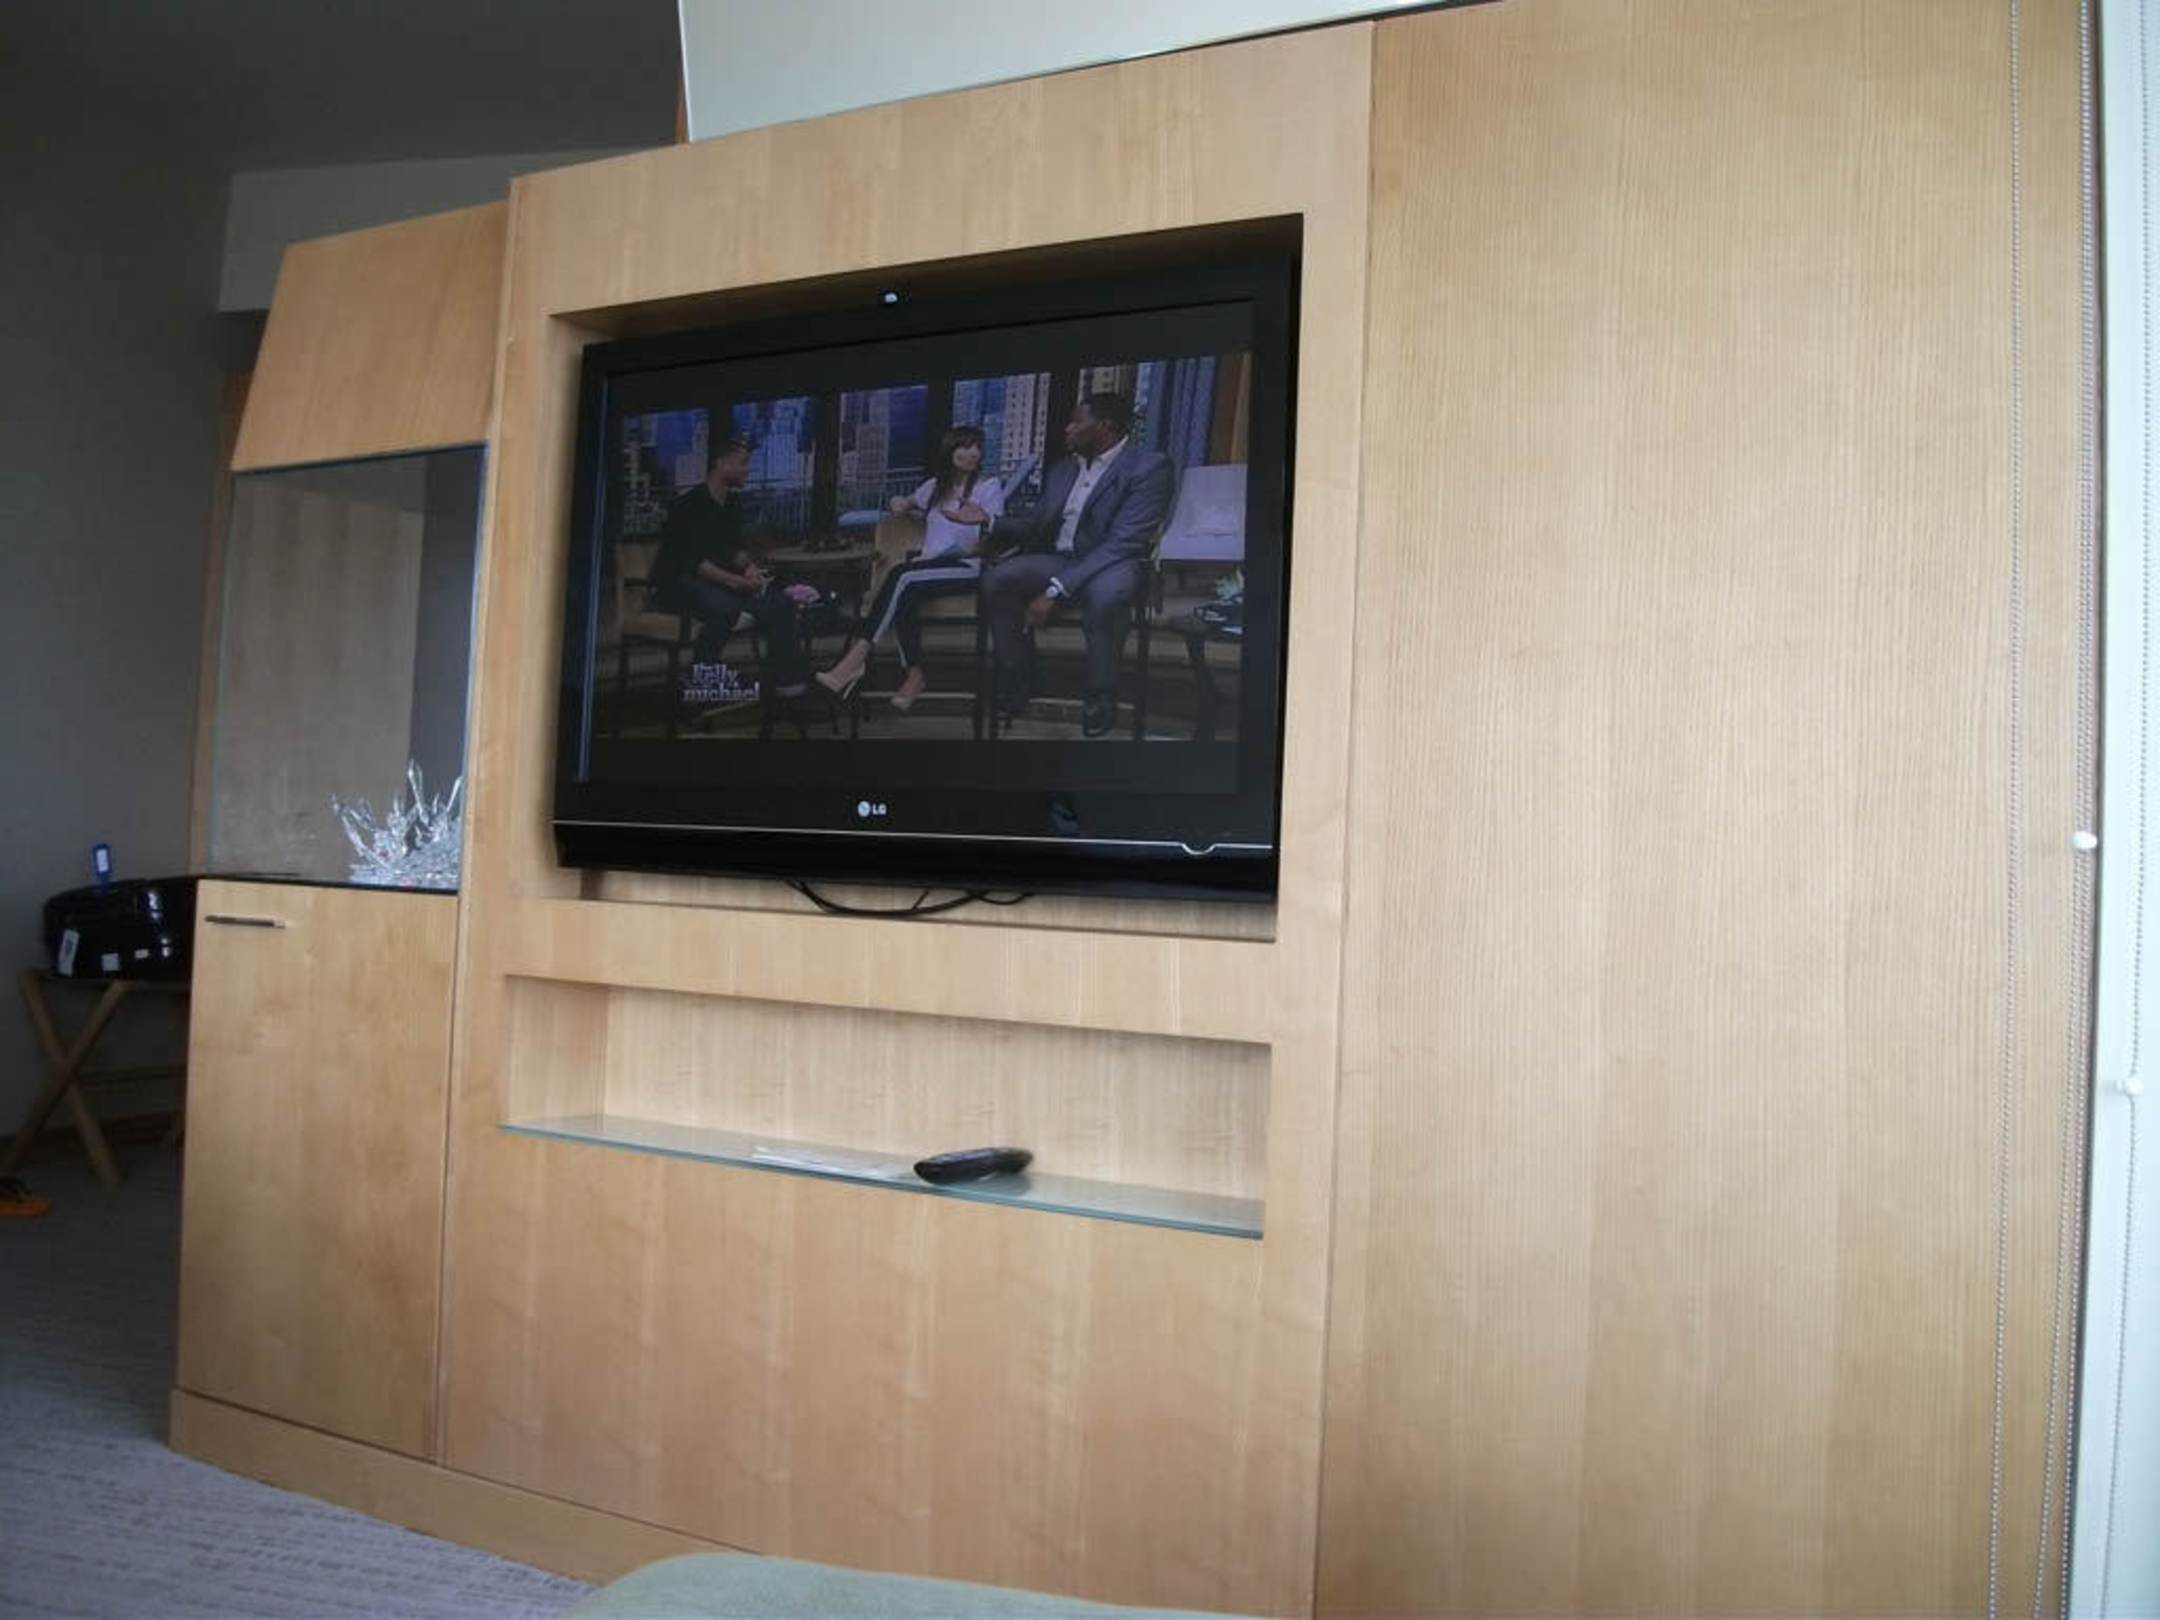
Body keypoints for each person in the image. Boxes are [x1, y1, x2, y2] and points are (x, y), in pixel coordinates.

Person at [980, 391, 1174, 736]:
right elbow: (1037, 523)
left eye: (1076, 422)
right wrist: (989, 521)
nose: (1067, 429)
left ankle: (1102, 692)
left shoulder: (1149, 466)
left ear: (1105, 426)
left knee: (1106, 596)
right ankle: (1019, 675)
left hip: (1115, 561)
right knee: (998, 578)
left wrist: (1055, 590)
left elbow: (1124, 542)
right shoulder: (1064, 468)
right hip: (1061, 558)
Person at [816, 425, 1004, 710]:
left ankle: (857, 657)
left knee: (900, 576)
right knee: (905, 592)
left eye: (977, 447)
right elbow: (903, 503)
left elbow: (997, 539)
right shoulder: (934, 487)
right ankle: (914, 676)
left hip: (969, 565)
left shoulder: (989, 487)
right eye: (965, 446)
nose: (973, 453)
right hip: (930, 568)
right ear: (950, 451)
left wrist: (982, 524)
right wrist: (901, 504)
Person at [647, 431, 807, 696]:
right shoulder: (687, 505)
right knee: (725, 607)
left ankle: (785, 684)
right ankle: (702, 682)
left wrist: (750, 569)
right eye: (743, 463)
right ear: (721, 463)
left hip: (717, 584)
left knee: (782, 604)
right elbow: (695, 563)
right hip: (677, 584)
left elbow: (735, 551)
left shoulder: (732, 503)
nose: (748, 470)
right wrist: (738, 583)